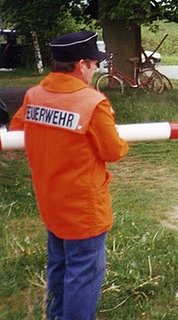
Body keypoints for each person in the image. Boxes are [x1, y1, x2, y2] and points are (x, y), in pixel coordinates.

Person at [9, 31, 129, 319]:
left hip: (50, 201)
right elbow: (113, 151)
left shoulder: (34, 94)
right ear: (80, 65)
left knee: (59, 268)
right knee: (83, 275)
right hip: (84, 208)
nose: (96, 68)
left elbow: (17, 130)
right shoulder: (92, 101)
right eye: (93, 63)